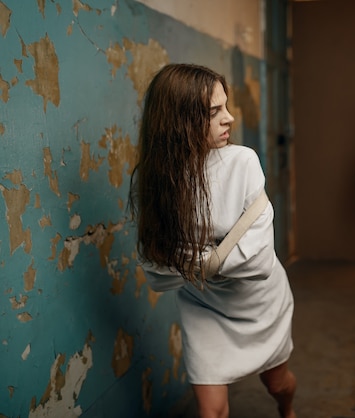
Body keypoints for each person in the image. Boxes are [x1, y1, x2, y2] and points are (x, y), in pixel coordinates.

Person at [128, 63, 297, 418]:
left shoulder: (242, 162)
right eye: (214, 112)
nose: (230, 119)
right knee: (211, 412)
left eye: (226, 106)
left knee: (278, 385)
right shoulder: (152, 179)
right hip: (203, 306)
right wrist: (219, 257)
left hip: (258, 303)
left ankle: (288, 409)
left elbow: (259, 260)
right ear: (180, 120)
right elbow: (155, 269)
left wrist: (191, 260)